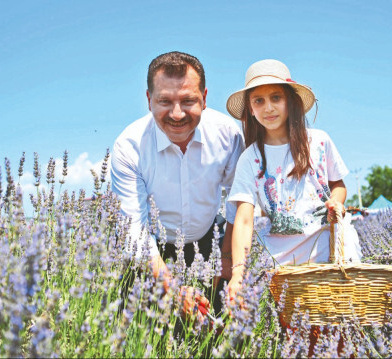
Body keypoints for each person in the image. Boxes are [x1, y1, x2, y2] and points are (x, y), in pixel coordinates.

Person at [224, 59, 362, 354]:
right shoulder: (250, 159)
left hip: (326, 251)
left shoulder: (319, 142)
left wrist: (335, 204)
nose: (268, 108)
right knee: (296, 340)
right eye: (258, 101)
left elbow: (339, 185)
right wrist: (238, 272)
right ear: (250, 109)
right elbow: (244, 220)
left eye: (276, 98)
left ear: (290, 102)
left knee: (337, 335)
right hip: (283, 263)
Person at [111, 51, 245, 316]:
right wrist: (172, 288)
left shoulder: (227, 135)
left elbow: (239, 201)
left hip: (210, 241)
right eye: (165, 101)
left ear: (204, 98)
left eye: (188, 101)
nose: (176, 113)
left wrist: (228, 259)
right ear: (149, 100)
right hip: (151, 247)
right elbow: (134, 230)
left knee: (219, 332)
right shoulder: (129, 146)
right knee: (142, 333)